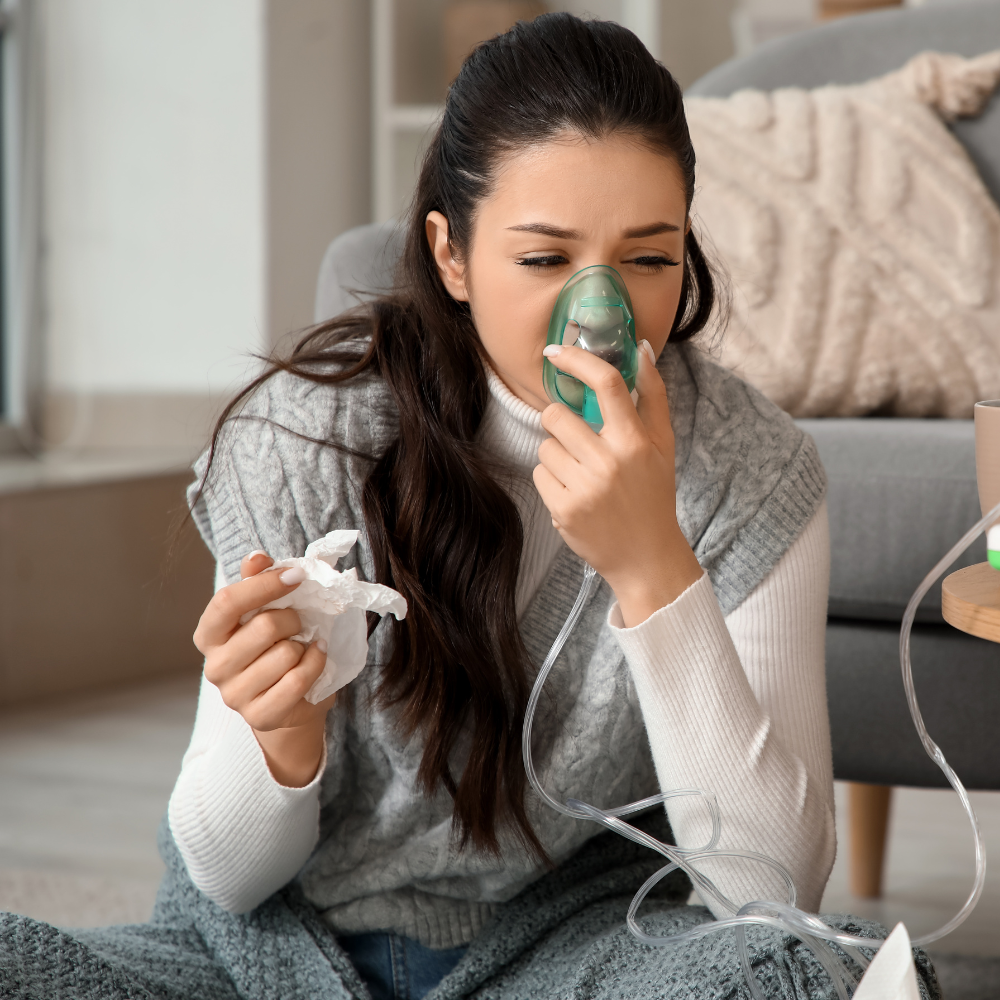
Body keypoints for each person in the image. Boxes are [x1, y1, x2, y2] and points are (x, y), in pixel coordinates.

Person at [0, 13, 941, 1000]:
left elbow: (771, 892)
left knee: (801, 974)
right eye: (544, 259)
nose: (601, 311)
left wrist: (652, 565)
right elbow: (228, 874)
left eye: (648, 259)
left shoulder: (747, 467)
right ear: (451, 256)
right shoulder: (305, 439)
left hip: (566, 952)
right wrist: (281, 741)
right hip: (275, 961)